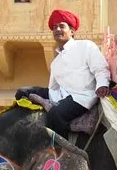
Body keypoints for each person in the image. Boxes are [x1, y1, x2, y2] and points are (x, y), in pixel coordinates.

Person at [14, 9, 110, 138]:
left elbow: (100, 68)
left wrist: (102, 84)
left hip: (81, 96)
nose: (57, 29)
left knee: (57, 113)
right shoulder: (56, 62)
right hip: (59, 95)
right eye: (54, 27)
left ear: (72, 31)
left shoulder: (86, 46)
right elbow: (53, 87)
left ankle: (61, 147)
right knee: (22, 92)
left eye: (61, 26)